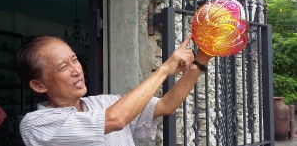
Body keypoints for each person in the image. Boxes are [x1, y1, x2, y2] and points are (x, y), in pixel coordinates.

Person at [15, 34, 211, 145]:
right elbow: (116, 120)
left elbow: (165, 105)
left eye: (74, 60)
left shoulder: (103, 103)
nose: (76, 70)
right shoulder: (36, 125)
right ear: (39, 85)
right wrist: (165, 69)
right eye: (62, 67)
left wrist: (202, 58)